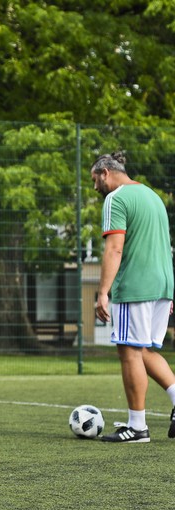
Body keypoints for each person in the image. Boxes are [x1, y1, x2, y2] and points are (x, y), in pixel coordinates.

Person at [91, 151, 175, 443]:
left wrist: (103, 292)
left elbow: (114, 249)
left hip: (136, 286)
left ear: (105, 172)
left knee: (128, 350)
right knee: (146, 351)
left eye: (94, 180)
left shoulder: (117, 198)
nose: (94, 188)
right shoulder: (153, 197)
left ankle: (137, 427)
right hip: (163, 285)